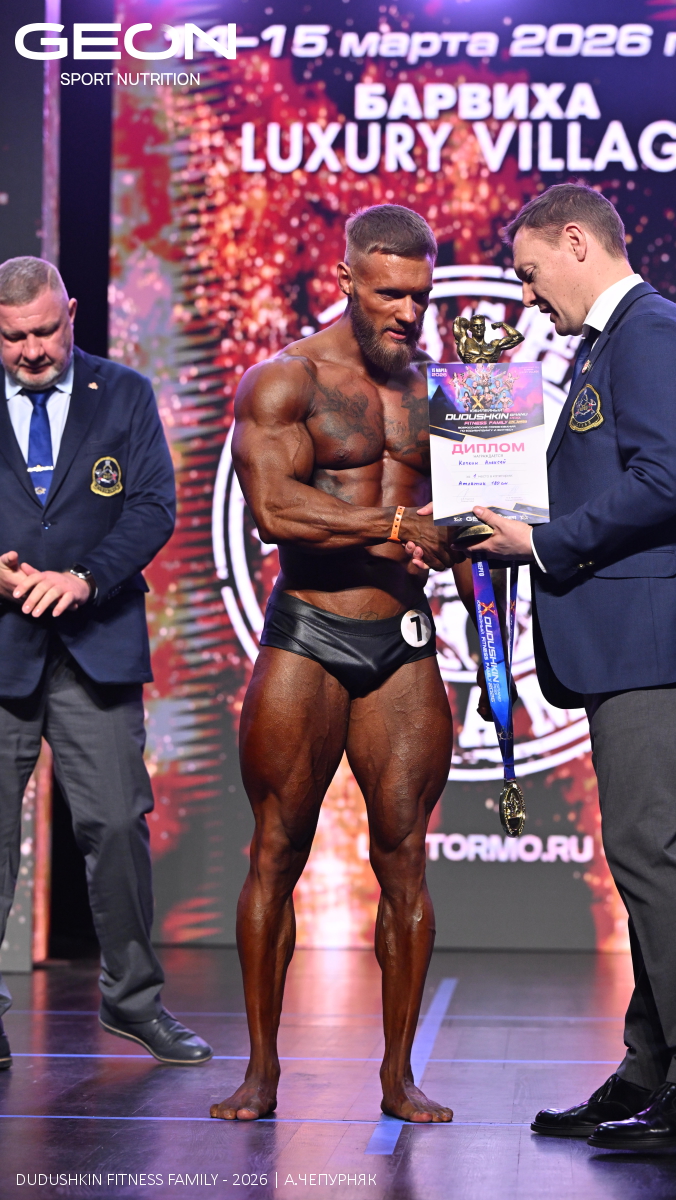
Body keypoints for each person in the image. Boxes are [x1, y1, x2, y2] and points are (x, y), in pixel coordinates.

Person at [409, 183, 676, 1149]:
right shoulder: (615, 342)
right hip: (631, 637)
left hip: (654, 637)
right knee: (645, 852)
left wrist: (539, 541)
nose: (525, 296)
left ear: (577, 243)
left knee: (650, 850)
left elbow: (663, 481)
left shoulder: (652, 334)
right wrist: (482, 501)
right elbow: (607, 473)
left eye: (529, 274)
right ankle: (653, 1068)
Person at [209, 205, 461, 1124]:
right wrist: (394, 523)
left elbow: (477, 510)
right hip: (309, 632)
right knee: (277, 850)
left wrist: (470, 541)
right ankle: (260, 1073)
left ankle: (398, 1077)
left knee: (406, 858)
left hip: (402, 637)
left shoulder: (448, 388)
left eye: (420, 295)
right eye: (389, 293)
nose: (407, 312)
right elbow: (276, 510)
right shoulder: (287, 379)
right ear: (347, 279)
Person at [0, 257, 211, 1066]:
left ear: (72, 313)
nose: (32, 350)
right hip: (4, 646)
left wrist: (84, 578)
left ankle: (133, 1003)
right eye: (13, 338)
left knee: (118, 825)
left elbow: (154, 507)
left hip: (97, 641)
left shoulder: (122, 393)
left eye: (44, 331)